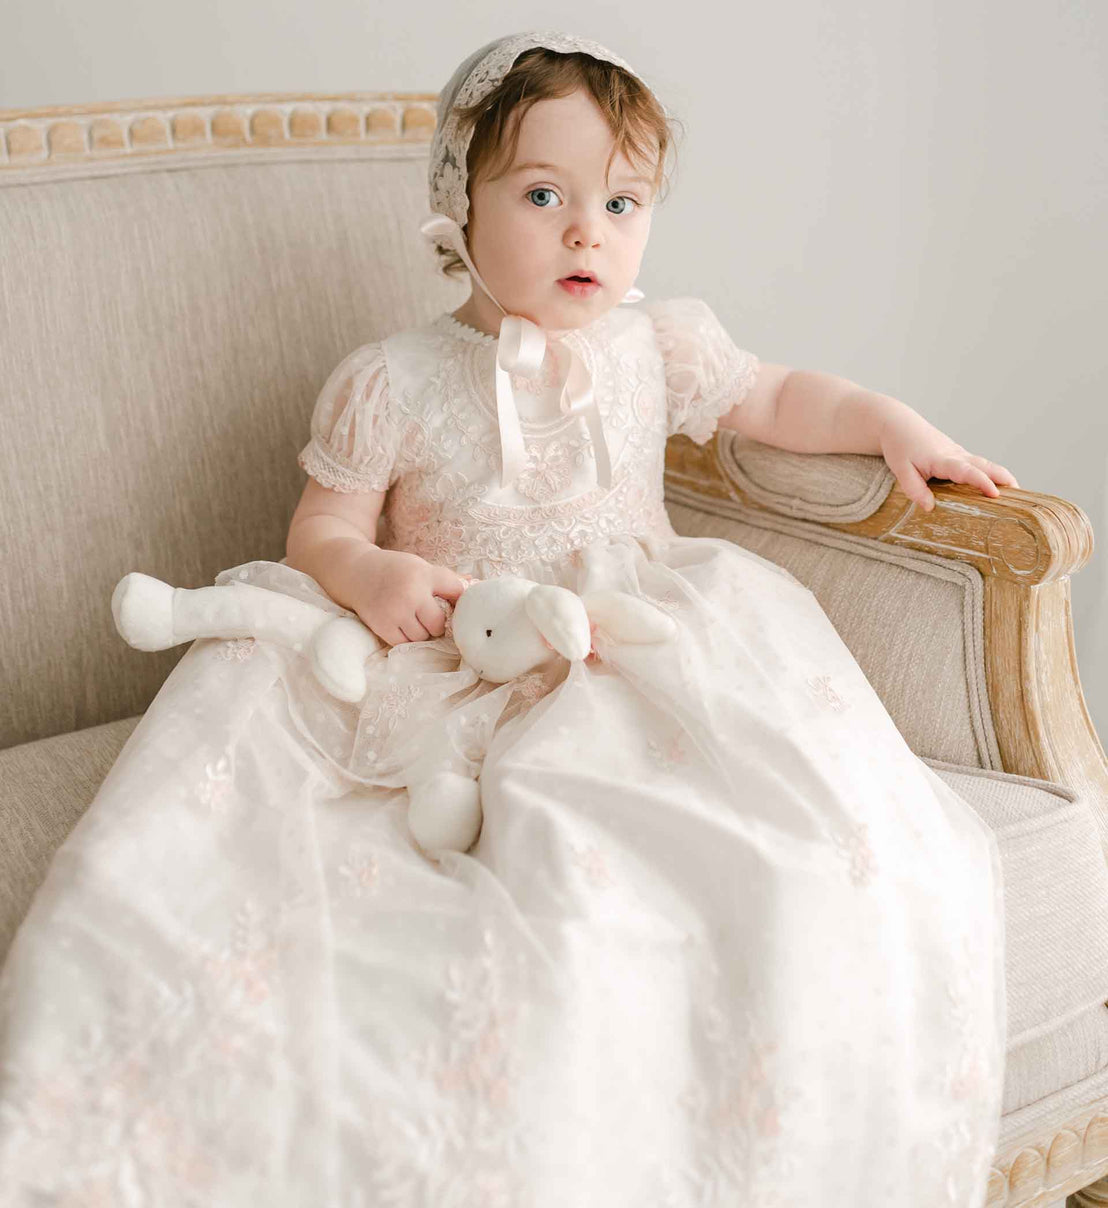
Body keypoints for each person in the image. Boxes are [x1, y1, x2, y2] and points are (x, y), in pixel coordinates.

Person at [0, 29, 1021, 1207]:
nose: (589, 230)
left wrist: (888, 421)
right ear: (461, 207)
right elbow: (318, 531)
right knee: (425, 854)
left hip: (626, 636)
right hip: (456, 644)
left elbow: (777, 396)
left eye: (622, 201)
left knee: (760, 837)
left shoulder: (653, 341)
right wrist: (370, 572)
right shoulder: (393, 376)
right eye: (545, 194)